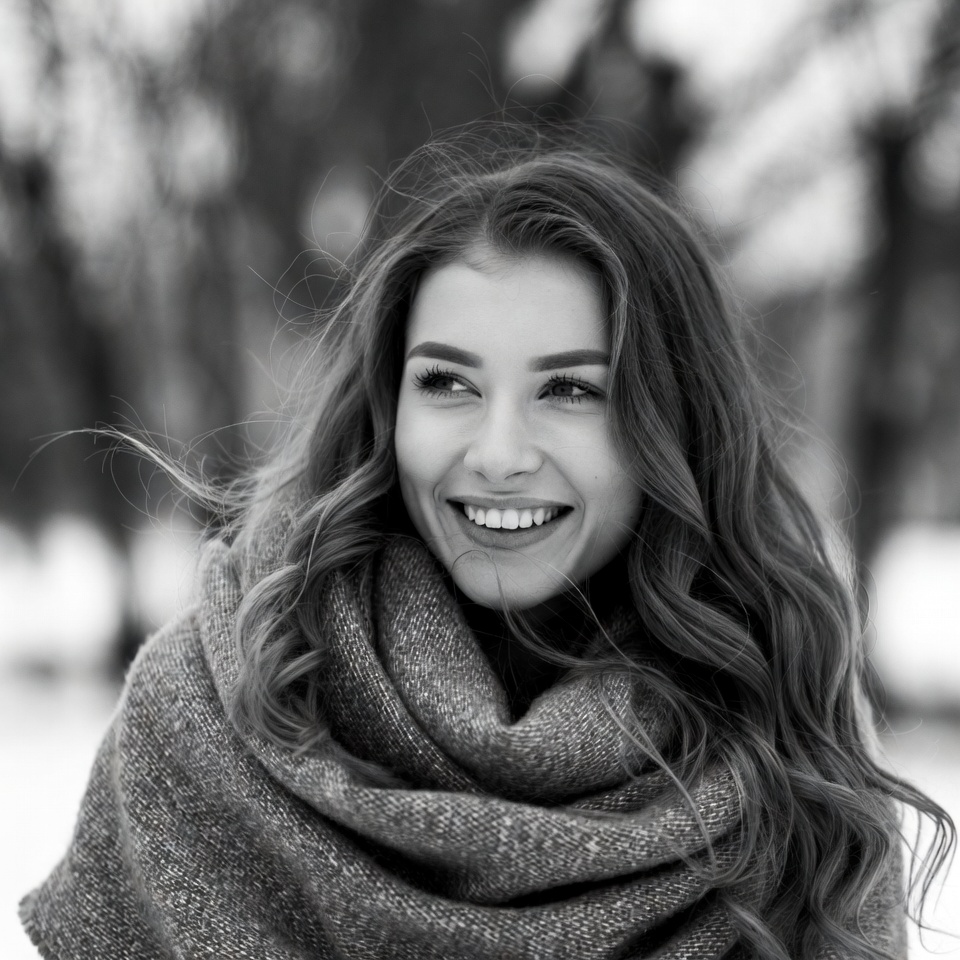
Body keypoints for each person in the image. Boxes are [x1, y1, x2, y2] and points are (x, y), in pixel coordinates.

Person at [20, 125, 953, 960]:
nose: (498, 455)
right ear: (388, 406)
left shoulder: (788, 758)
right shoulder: (212, 709)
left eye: (571, 391)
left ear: (675, 427)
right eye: (448, 385)